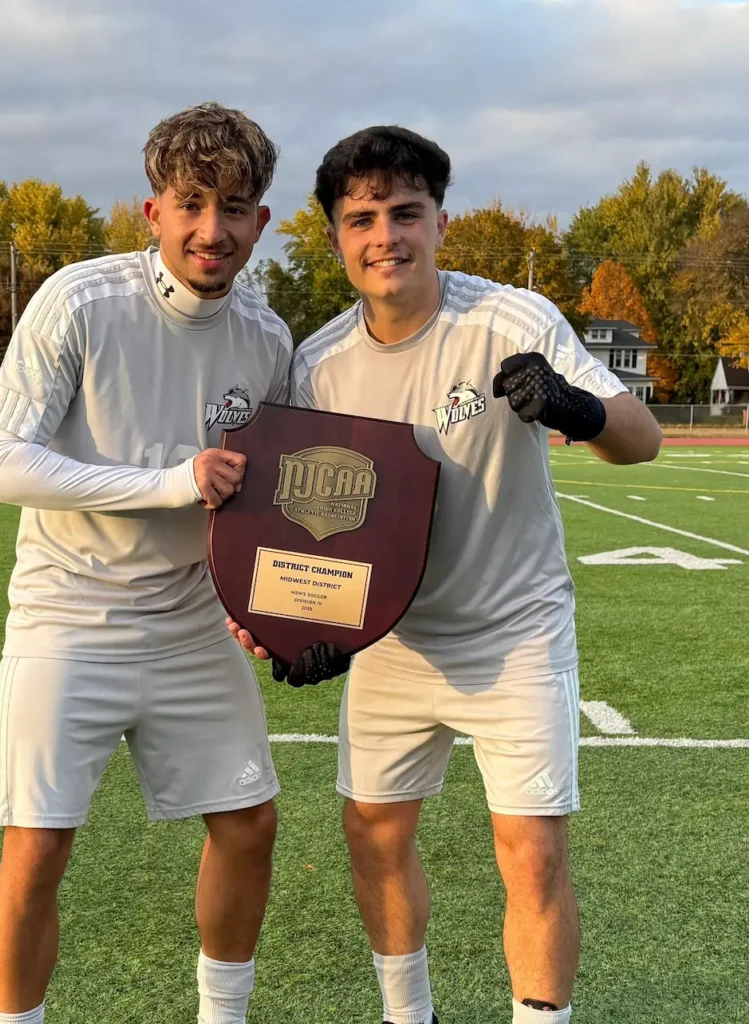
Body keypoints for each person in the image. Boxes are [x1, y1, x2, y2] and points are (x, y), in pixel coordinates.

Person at [230, 126, 662, 1024]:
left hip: (513, 629)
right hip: (395, 639)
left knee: (532, 851)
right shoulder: (316, 365)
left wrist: (577, 408)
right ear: (335, 236)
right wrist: (311, 634)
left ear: (439, 222)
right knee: (372, 836)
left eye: (404, 213)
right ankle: (406, 1014)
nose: (384, 236)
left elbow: (640, 439)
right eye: (362, 219)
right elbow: (306, 529)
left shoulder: (512, 319)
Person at [0, 101, 292, 1024]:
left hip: (192, 620)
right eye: (190, 203)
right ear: (151, 211)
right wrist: (171, 484)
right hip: (67, 616)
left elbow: (263, 499)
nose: (211, 229)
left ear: (260, 222)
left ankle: (220, 1017)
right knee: (36, 849)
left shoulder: (265, 339)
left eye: (234, 207)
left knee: (249, 824)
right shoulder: (79, 300)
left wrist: (270, 607)